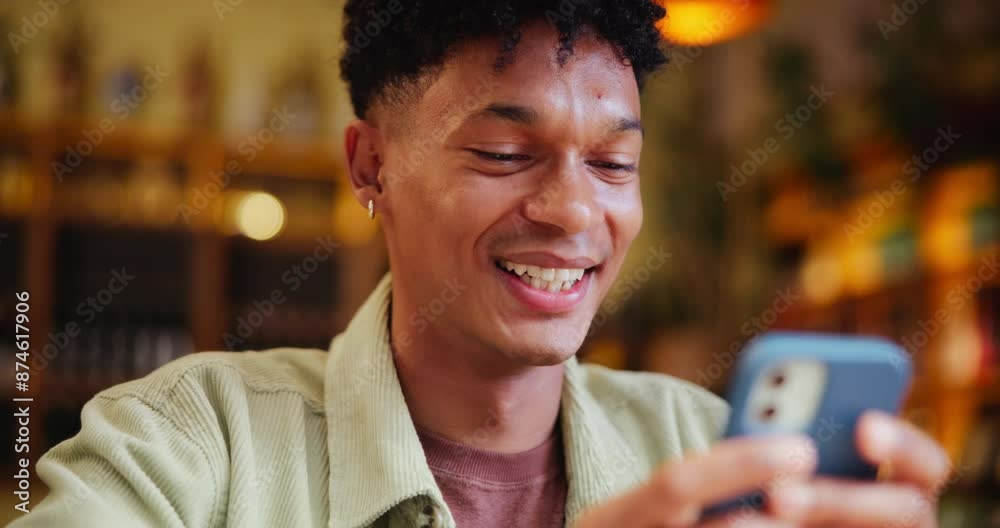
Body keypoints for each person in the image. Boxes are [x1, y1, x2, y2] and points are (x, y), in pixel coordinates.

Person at [13, 1, 952, 527]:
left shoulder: (718, 454)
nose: (575, 209)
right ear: (370, 166)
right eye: (506, 155)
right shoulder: (182, 449)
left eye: (614, 164)